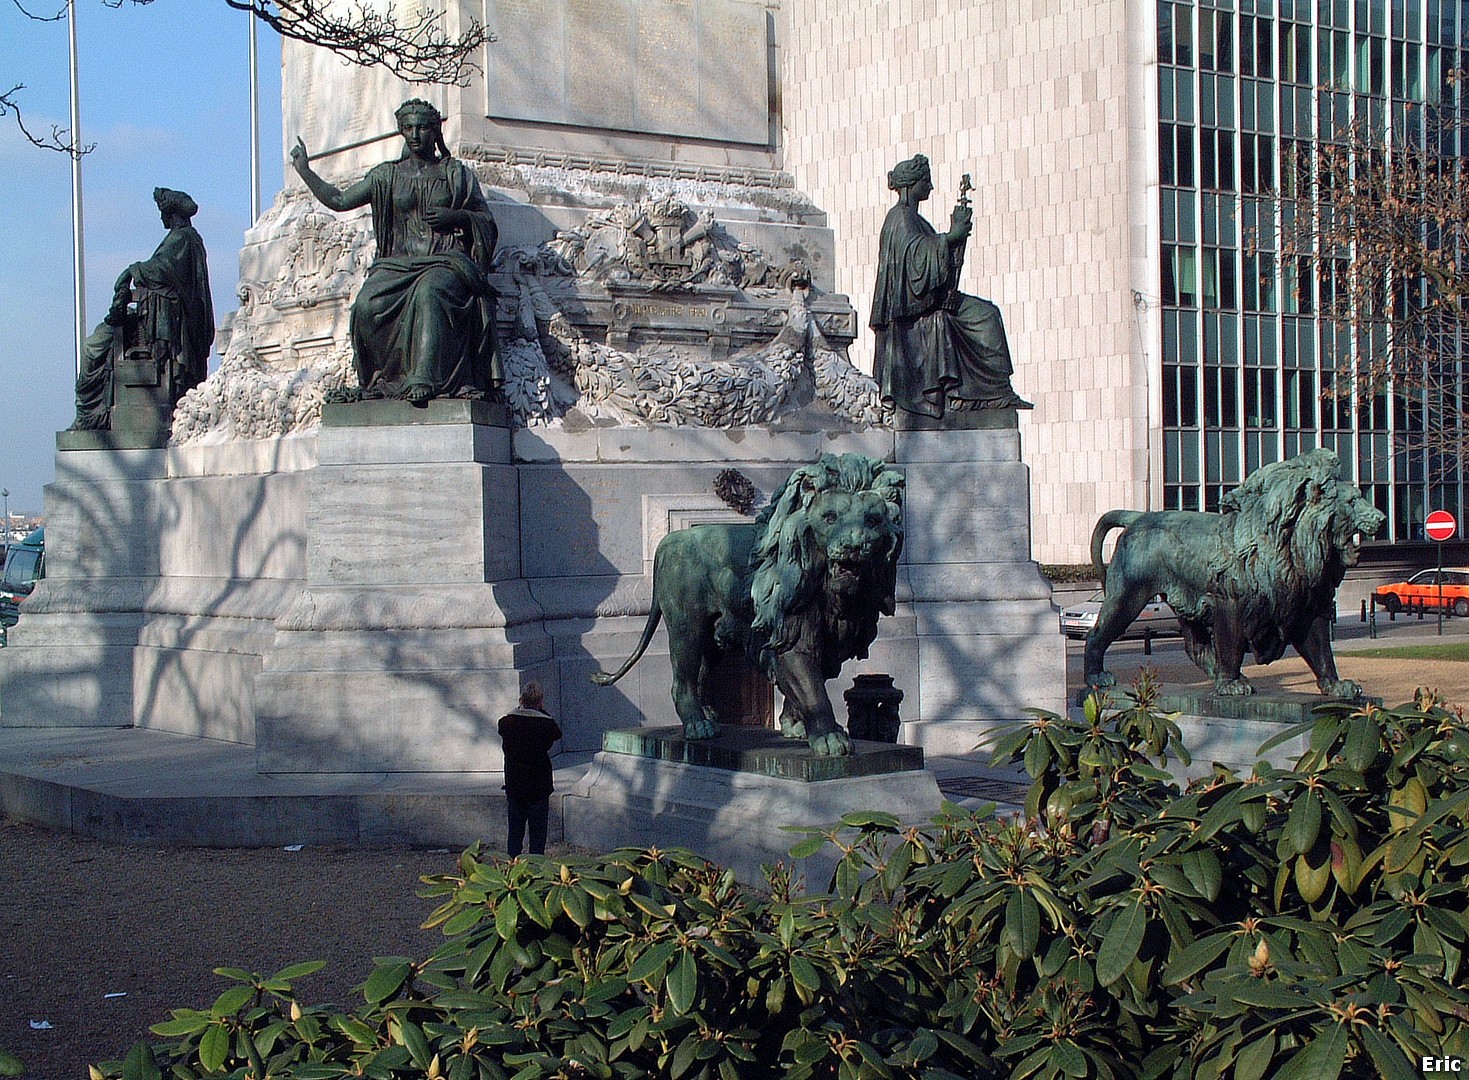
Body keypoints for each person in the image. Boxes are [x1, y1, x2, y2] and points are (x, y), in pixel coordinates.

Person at [290, 98, 500, 404]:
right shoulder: (386, 175)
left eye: (423, 128)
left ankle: (425, 377)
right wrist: (305, 172)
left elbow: (486, 222)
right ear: (401, 131)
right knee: (366, 304)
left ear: (435, 131)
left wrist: (456, 217)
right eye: (409, 128)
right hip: (396, 265)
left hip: (444, 261)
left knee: (430, 292)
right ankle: (380, 379)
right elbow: (339, 200)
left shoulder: (455, 174)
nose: (415, 135)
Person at [871, 154, 1032, 421]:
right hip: (913, 313)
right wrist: (951, 236)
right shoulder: (899, 218)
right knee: (985, 317)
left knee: (987, 312)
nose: (931, 188)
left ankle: (991, 393)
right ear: (913, 184)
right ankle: (974, 395)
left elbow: (928, 262)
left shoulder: (914, 219)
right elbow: (915, 264)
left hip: (928, 302)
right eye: (927, 181)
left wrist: (952, 240)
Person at [71, 187, 214, 430]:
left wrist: (130, 270)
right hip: (152, 316)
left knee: (93, 347)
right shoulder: (180, 239)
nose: (160, 218)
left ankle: (92, 415)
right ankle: (93, 412)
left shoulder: (183, 239)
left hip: (165, 323)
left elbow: (162, 269)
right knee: (97, 341)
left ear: (171, 214)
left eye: (162, 213)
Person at [497, 681, 562, 857]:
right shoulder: (546, 725)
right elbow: (557, 733)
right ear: (540, 701)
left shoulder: (507, 722)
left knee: (515, 833)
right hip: (538, 787)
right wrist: (540, 710)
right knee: (538, 835)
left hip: (515, 785)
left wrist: (522, 707)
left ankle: (511, 868)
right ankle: (536, 869)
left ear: (521, 699)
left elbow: (503, 725)